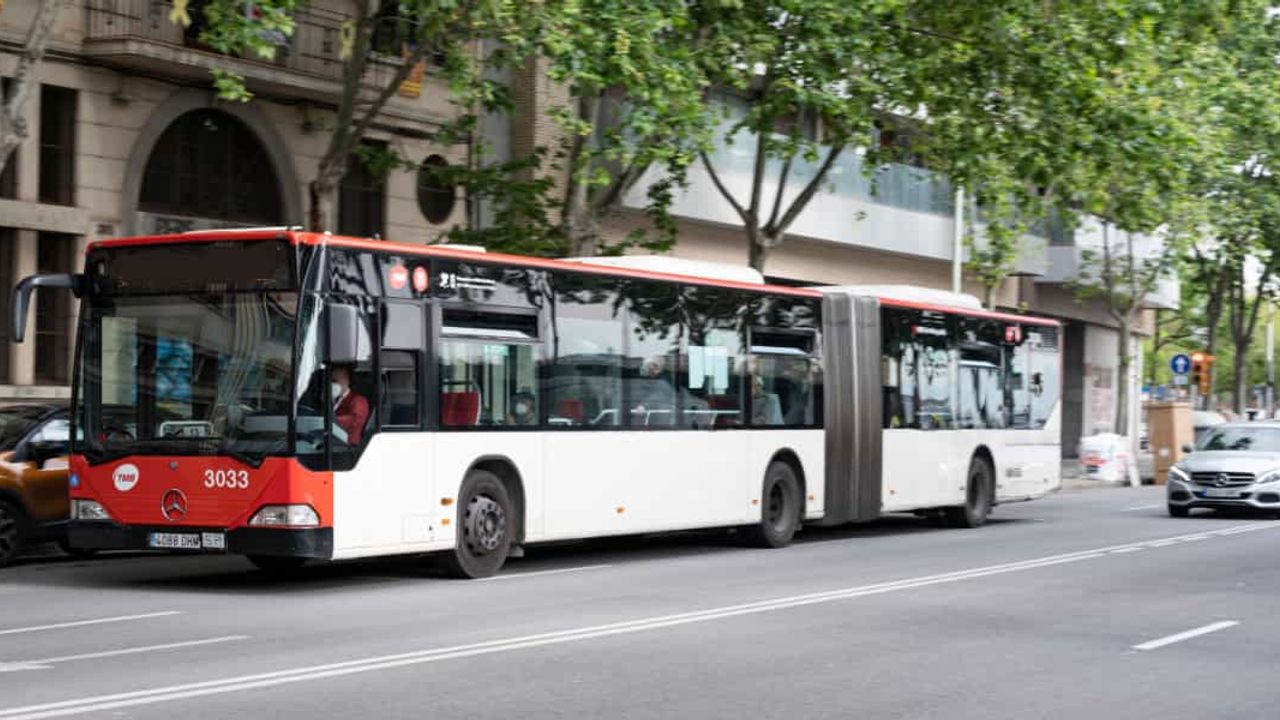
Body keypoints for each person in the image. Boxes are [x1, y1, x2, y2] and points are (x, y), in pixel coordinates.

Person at [332, 365, 370, 445]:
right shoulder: (332, 400)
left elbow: (355, 420)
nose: (332, 384)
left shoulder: (358, 400)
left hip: (349, 446)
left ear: (347, 381)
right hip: (332, 443)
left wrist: (330, 421)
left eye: (335, 381)